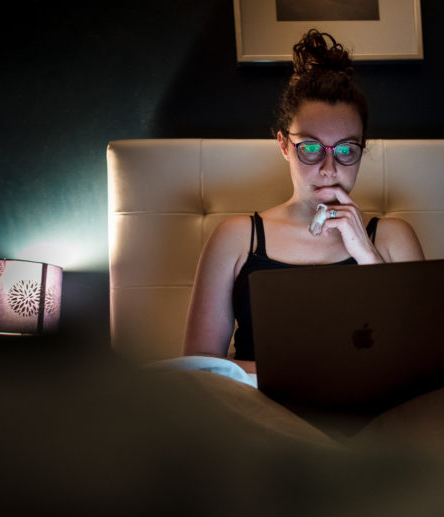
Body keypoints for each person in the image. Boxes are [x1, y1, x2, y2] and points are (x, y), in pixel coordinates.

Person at [182, 29, 425, 374]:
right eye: (310, 148)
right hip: (259, 413)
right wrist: (304, 372)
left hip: (365, 414)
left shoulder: (392, 238)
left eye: (346, 150)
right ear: (283, 145)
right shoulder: (236, 238)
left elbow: (421, 357)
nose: (329, 169)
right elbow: (199, 367)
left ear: (361, 149)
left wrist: (367, 256)